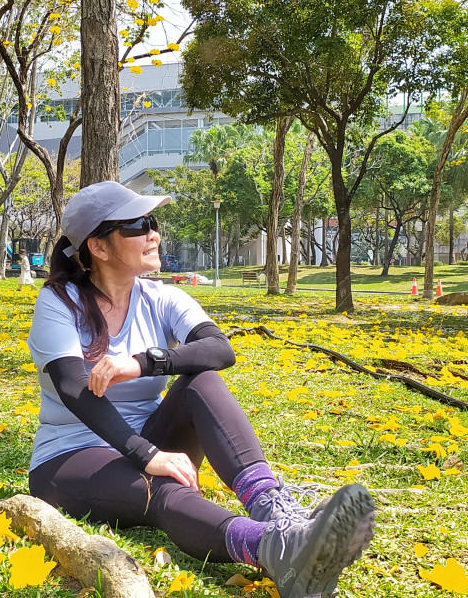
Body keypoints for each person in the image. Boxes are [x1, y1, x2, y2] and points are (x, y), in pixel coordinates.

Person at [27, 182, 374, 598]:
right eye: (138, 225)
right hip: (72, 457)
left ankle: (275, 511)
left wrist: (144, 362)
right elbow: (71, 386)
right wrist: (146, 454)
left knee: (202, 379)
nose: (154, 233)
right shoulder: (58, 302)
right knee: (160, 490)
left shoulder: (162, 297)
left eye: (153, 222)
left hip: (152, 438)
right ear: (98, 247)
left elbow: (218, 349)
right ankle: (277, 549)